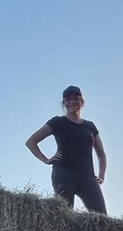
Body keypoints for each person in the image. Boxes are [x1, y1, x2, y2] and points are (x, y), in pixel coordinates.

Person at [25, 85, 108, 214]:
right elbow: (31, 142)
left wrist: (101, 175)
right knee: (64, 217)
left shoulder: (89, 126)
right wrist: (46, 160)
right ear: (64, 103)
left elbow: (101, 154)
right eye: (67, 100)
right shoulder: (57, 122)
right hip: (64, 175)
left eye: (75, 98)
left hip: (87, 177)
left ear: (82, 101)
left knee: (101, 218)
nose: (71, 102)